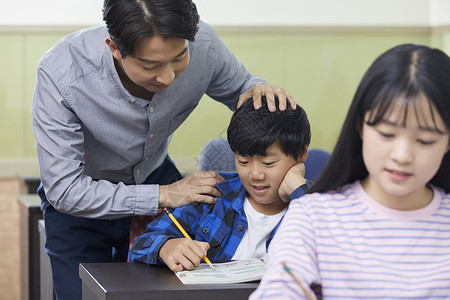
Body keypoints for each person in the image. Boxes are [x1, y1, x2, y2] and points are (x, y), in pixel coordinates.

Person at [31, 0, 295, 299]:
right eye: (149, 65)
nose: (168, 77)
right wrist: (166, 194)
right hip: (83, 202)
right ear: (115, 48)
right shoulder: (61, 72)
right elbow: (65, 190)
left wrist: (267, 98)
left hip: (158, 176)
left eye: (179, 58)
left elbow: (247, 91)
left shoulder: (203, 44)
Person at [251, 44, 450, 299]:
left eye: (424, 140)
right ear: (360, 126)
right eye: (387, 134)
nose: (402, 156)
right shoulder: (313, 218)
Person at [129, 97, 311, 271]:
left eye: (268, 163)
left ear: (301, 153)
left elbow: (337, 253)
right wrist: (166, 247)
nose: (255, 175)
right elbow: (141, 245)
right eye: (243, 162)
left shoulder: (319, 205)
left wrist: (299, 190)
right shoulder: (212, 194)